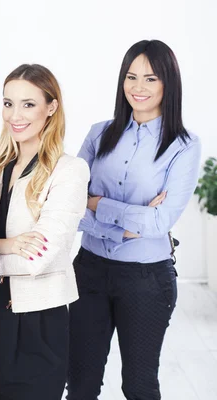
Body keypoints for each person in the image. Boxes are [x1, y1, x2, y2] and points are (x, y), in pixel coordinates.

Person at [66, 40, 202, 400]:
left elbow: (160, 222)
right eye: (131, 77)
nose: (138, 88)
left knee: (139, 386)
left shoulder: (184, 146)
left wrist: (98, 203)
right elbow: (70, 205)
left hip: (146, 280)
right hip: (89, 271)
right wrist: (125, 226)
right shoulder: (99, 133)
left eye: (150, 78)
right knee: (79, 384)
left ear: (167, 84)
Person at [0, 64, 89, 400]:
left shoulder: (70, 171)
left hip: (37, 319)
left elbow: (40, 257)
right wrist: (8, 245)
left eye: (28, 104)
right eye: (8, 103)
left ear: (51, 107)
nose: (15, 115)